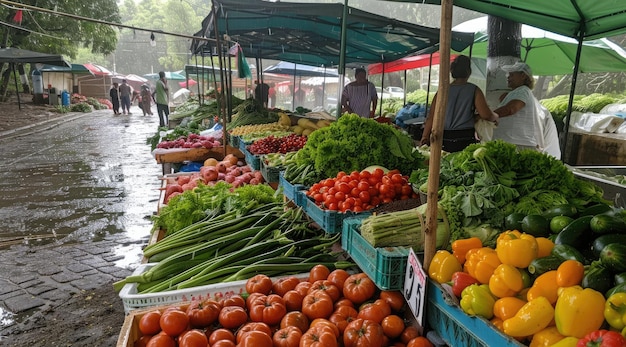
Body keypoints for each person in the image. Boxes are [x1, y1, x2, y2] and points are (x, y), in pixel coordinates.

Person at [420, 55, 499, 152]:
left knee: (444, 165)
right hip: (464, 138)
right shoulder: (474, 90)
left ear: (452, 71)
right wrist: (495, 116)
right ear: (469, 72)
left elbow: (431, 117)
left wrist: (424, 137)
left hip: (443, 138)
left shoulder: (442, 91)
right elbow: (486, 115)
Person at [493, 62, 544, 152]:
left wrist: (488, 116)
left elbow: (511, 109)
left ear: (523, 75)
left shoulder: (523, 90)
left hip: (517, 144)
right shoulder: (517, 92)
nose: (508, 77)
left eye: (512, 74)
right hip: (512, 142)